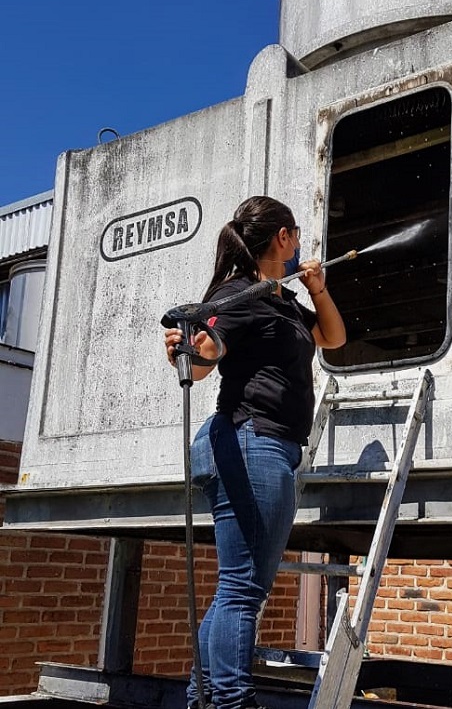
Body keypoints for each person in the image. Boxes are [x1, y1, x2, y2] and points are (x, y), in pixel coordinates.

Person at [164, 196, 346, 709]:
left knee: (233, 592)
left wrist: (317, 288)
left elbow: (333, 337)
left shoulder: (282, 299)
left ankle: (203, 699)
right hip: (251, 442)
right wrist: (187, 351)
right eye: (297, 236)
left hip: (263, 447)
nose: (300, 246)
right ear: (283, 237)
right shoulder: (237, 293)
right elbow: (205, 359)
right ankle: (232, 702)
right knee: (243, 592)